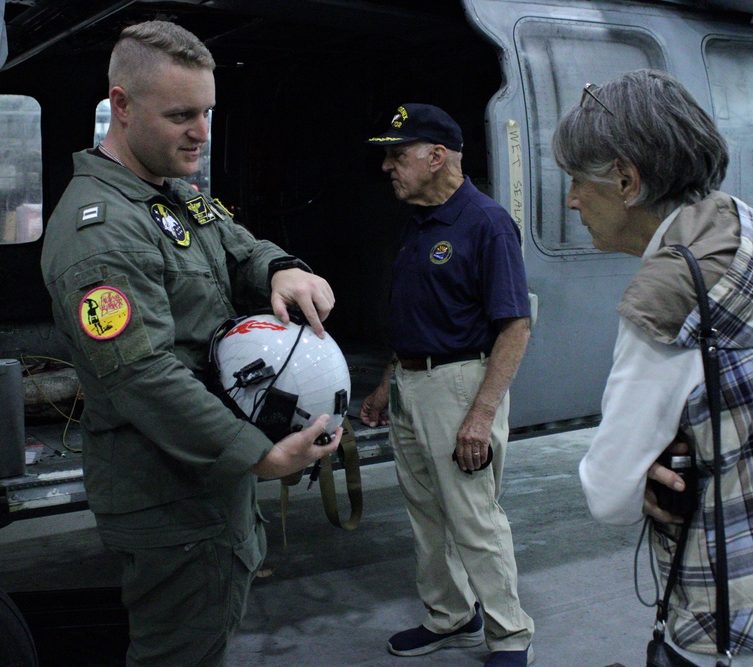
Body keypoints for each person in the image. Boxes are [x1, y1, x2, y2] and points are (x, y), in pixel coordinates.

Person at [40, 21, 340, 666]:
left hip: (199, 482)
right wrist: (258, 456)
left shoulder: (170, 196)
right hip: (168, 495)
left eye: (206, 111)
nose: (201, 132)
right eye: (181, 115)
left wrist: (281, 266)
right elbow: (140, 373)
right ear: (121, 106)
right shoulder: (104, 232)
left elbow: (237, 245)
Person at [557, 69, 753, 665]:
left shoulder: (668, 296)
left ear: (626, 181)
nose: (572, 199)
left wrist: (644, 473)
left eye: (577, 180)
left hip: (741, 624)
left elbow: (607, 495)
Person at [360, 103, 535, 667]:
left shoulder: (485, 223)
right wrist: (389, 382)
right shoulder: (420, 222)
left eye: (397, 154)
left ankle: (510, 635)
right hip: (412, 385)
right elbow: (420, 314)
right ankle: (452, 616)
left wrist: (481, 415)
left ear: (436, 157)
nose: (388, 165)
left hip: (461, 386)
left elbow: (515, 326)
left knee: (474, 518)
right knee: (426, 517)